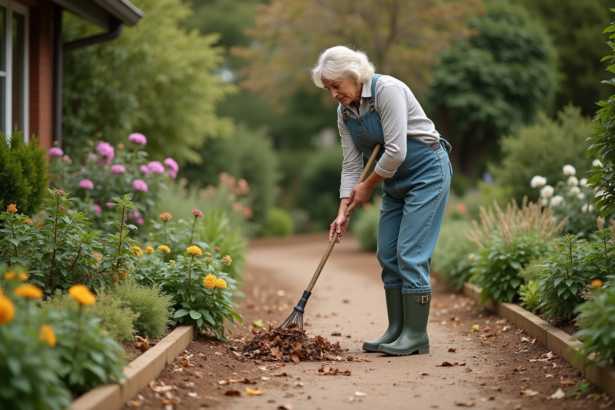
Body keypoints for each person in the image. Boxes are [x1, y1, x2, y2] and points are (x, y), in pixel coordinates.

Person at [311, 46, 452, 356]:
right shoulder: (344, 112)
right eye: (328, 89)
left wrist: (368, 187)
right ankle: (396, 330)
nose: (333, 94)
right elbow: (351, 166)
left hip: (427, 172)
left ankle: (416, 336)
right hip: (395, 182)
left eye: (336, 86)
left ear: (353, 75)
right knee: (387, 252)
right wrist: (342, 212)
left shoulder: (387, 90)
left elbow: (397, 151)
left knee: (410, 253)